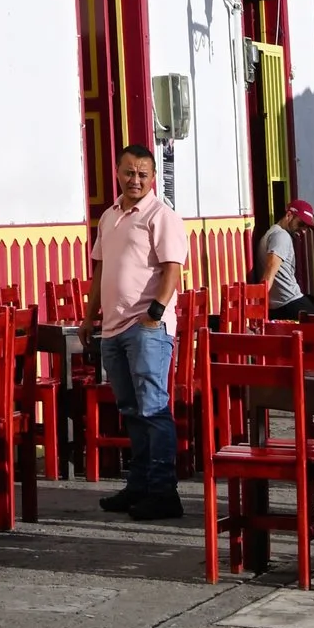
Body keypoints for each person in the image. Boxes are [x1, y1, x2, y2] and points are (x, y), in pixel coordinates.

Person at [93, 147, 189, 521]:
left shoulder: (160, 216)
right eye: (129, 173)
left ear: (153, 178)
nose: (135, 180)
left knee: (153, 409)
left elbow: (172, 269)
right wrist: (90, 318)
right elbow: (100, 270)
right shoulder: (109, 217)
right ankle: (139, 485)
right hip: (113, 327)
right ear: (117, 172)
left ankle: (164, 491)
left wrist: (154, 314)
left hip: (145, 327)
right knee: (131, 410)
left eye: (143, 175)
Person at [251, 186, 305, 319]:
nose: (303, 230)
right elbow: (269, 272)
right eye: (301, 224)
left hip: (284, 304)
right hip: (290, 302)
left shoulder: (271, 233)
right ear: (289, 216)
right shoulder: (281, 236)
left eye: (306, 228)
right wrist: (259, 311)